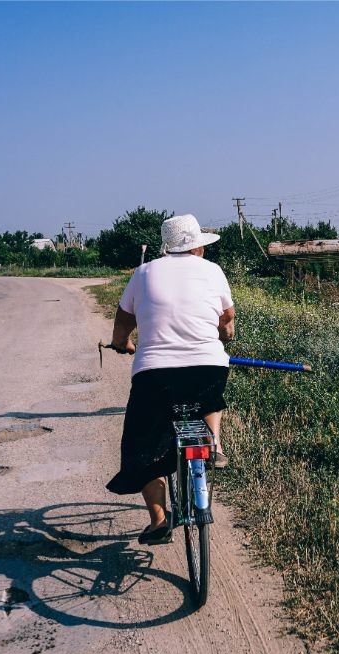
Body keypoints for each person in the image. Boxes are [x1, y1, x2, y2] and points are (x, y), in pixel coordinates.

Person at [105, 214, 236, 545]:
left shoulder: (144, 272)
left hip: (155, 374)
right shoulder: (213, 271)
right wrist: (222, 334)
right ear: (197, 248)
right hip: (208, 368)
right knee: (210, 396)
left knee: (144, 443)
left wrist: (122, 344)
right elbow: (227, 319)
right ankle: (214, 444)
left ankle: (159, 520)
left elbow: (123, 322)